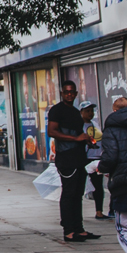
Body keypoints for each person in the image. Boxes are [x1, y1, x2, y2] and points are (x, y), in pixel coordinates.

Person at [47, 81, 98, 242]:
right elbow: (52, 131)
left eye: (72, 92)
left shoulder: (76, 112)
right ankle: (68, 230)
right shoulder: (57, 110)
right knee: (68, 193)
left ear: (76, 94)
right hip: (66, 158)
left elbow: (78, 134)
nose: (69, 94)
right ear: (62, 93)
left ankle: (78, 228)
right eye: (66, 92)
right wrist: (75, 138)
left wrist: (85, 140)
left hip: (78, 158)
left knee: (77, 193)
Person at [98, 95, 127, 253]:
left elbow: (110, 157)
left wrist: (101, 167)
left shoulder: (112, 128)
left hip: (126, 185)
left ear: (114, 111)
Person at [79, 103, 110, 220]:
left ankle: (99, 212)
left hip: (96, 158)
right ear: (81, 112)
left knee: (98, 186)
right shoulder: (79, 127)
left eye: (91, 111)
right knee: (81, 186)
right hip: (84, 159)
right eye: (87, 111)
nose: (90, 113)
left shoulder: (95, 125)